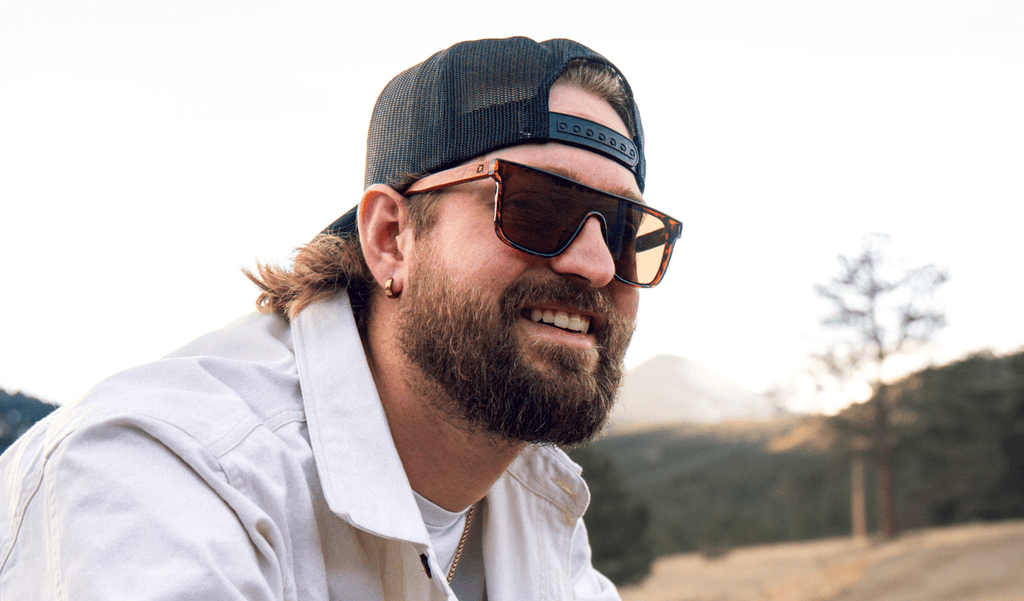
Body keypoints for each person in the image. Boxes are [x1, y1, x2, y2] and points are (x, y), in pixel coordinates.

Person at [0, 36, 682, 600]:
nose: (596, 263)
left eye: (627, 231)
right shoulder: (164, 473)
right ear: (391, 236)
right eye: (536, 205)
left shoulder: (536, 500)